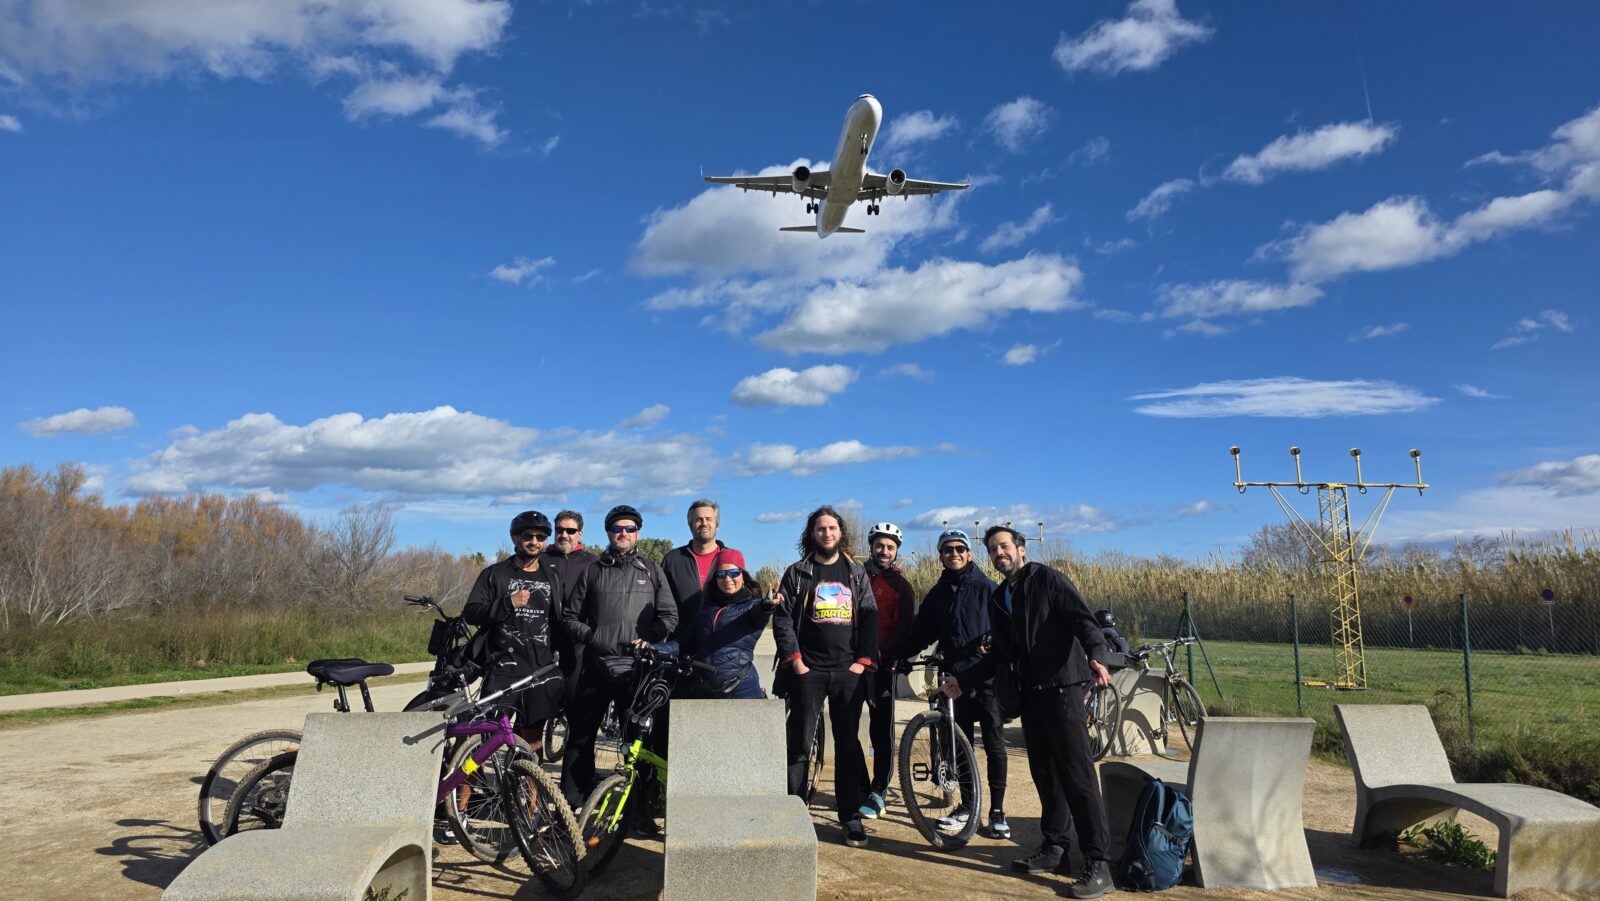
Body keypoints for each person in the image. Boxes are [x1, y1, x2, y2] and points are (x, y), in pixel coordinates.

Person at [942, 525, 1116, 899]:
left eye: (1004, 546)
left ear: (1021, 548)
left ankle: (1098, 863)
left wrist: (1097, 656)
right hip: (1031, 695)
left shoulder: (1047, 580)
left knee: (1078, 776)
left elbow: (1083, 620)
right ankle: (1055, 849)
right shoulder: (1001, 596)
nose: (999, 553)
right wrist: (963, 681)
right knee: (1045, 775)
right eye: (992, 549)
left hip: (1064, 689)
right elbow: (1001, 657)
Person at [772, 506, 879, 848]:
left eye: (832, 528)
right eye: (821, 529)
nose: (827, 533)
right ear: (812, 533)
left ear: (840, 532)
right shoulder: (799, 573)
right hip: (809, 671)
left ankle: (849, 816)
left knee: (848, 746)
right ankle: (793, 812)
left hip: (848, 672)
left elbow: (869, 615)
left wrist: (862, 661)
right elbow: (783, 618)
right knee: (799, 743)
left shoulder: (855, 572)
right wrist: (796, 661)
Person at [559, 504, 678, 806]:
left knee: (638, 741)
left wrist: (651, 638)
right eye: (617, 528)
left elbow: (669, 615)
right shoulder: (593, 570)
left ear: (638, 533)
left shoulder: (651, 570)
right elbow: (570, 617)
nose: (623, 533)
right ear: (609, 532)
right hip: (596, 666)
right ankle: (574, 802)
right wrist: (594, 637)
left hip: (637, 669)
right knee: (580, 738)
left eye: (630, 529)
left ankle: (639, 808)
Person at [904, 529, 1008, 839]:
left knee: (994, 745)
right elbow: (921, 634)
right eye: (948, 549)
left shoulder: (989, 589)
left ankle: (998, 812)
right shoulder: (938, 594)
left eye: (960, 548)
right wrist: (898, 656)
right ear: (940, 556)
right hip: (953, 681)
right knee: (960, 747)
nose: (954, 553)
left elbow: (1005, 630)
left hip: (986, 678)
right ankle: (967, 806)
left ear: (970, 553)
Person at [462, 511, 566, 753]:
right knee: (486, 738)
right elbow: (472, 612)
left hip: (540, 669)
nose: (534, 541)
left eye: (540, 537)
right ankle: (475, 791)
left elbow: (559, 621)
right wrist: (507, 603)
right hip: (502, 668)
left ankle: (529, 790)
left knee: (533, 740)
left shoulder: (553, 576)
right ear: (515, 538)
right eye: (527, 535)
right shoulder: (495, 574)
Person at [640, 550, 776, 699]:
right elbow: (679, 645)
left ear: (743, 576)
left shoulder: (753, 606)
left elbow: (760, 615)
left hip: (742, 688)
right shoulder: (705, 610)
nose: (728, 579)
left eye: (734, 573)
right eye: (721, 574)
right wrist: (649, 647)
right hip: (705, 689)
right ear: (716, 578)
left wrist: (767, 606)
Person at [856, 521, 916, 821]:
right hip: (853, 664)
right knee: (847, 726)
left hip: (883, 665)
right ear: (871, 546)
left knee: (881, 730)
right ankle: (858, 783)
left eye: (890, 547)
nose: (884, 551)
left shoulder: (902, 586)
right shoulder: (856, 576)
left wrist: (886, 654)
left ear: (896, 551)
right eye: (880, 545)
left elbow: (904, 626)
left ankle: (879, 789)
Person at [540, 509, 598, 700]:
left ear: (579, 534)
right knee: (539, 701)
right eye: (559, 530)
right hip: (544, 639)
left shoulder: (593, 562)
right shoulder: (540, 559)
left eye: (570, 531)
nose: (564, 535)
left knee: (575, 700)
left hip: (579, 641)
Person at [661, 499, 727, 628]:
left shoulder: (730, 559)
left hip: (722, 640)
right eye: (698, 519)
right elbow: (661, 602)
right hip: (681, 642)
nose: (704, 523)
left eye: (709, 519)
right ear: (690, 525)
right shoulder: (673, 560)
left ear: (717, 525)